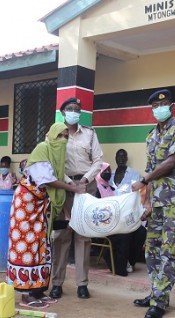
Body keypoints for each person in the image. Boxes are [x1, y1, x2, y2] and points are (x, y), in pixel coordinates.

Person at [130, 89, 175, 318]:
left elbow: (172, 161)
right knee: (152, 250)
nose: (160, 108)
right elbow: (150, 169)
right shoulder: (151, 135)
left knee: (170, 249)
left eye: (165, 104)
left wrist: (144, 180)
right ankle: (156, 292)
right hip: (157, 201)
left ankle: (159, 301)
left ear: (172, 106)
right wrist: (147, 203)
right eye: (156, 106)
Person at [7, 123, 85, 309]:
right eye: (60, 136)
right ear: (49, 136)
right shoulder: (43, 148)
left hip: (40, 205)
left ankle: (38, 290)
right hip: (26, 205)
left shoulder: (57, 155)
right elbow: (47, 179)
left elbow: (58, 175)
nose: (63, 140)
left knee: (41, 246)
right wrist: (73, 188)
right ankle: (25, 295)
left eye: (66, 136)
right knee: (26, 246)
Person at [49, 97, 103, 300]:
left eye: (77, 110)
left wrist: (85, 181)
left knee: (83, 237)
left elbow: (98, 160)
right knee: (61, 237)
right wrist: (69, 184)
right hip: (64, 189)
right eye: (70, 109)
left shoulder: (89, 133)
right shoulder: (55, 134)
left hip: (87, 187)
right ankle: (57, 283)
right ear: (63, 113)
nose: (74, 112)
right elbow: (52, 162)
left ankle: (82, 284)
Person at [97, 162, 147, 277]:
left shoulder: (111, 188)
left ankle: (130, 261)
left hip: (118, 220)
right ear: (99, 173)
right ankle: (119, 266)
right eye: (105, 171)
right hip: (104, 223)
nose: (108, 174)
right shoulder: (97, 188)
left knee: (141, 231)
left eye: (109, 171)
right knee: (125, 234)